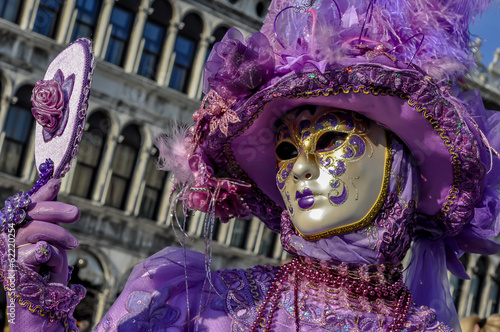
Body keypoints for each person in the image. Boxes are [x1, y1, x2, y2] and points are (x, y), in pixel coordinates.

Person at [1, 0, 500, 331]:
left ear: (400, 163)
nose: (299, 170)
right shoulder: (198, 304)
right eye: (285, 151)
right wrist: (38, 309)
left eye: (327, 141)